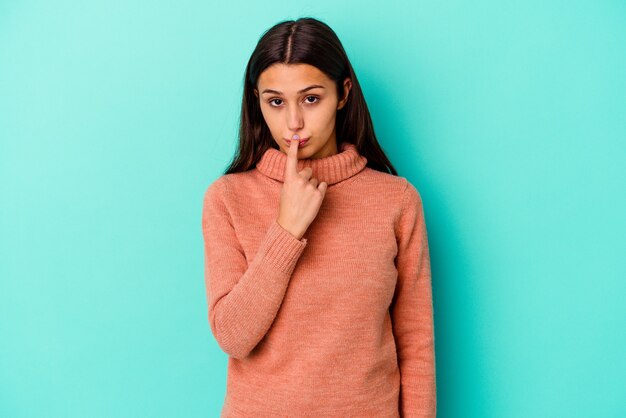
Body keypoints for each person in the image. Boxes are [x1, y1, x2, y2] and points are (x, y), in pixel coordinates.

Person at [201, 17, 436, 417]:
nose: (293, 122)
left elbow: (416, 345)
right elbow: (233, 336)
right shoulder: (227, 198)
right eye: (276, 101)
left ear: (343, 93)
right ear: (256, 101)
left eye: (311, 98)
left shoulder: (396, 200)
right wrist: (286, 231)